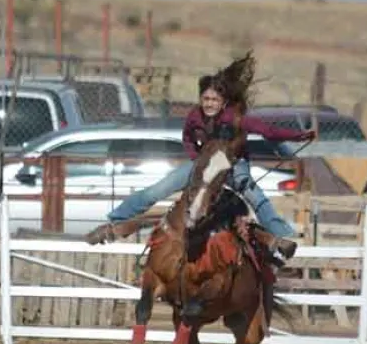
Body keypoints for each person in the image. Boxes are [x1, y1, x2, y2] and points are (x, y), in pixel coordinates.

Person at [96, 51, 315, 264]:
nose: (209, 104)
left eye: (214, 100)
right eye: (205, 99)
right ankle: (116, 219)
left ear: (224, 102)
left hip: (234, 164)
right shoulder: (194, 116)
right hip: (204, 163)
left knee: (254, 195)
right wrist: (196, 158)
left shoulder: (235, 118)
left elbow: (269, 131)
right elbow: (187, 138)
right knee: (158, 189)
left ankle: (281, 235)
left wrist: (299, 136)